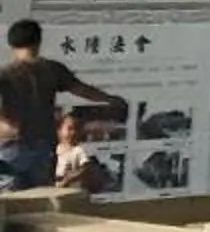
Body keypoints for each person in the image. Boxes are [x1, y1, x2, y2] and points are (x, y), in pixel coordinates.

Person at [0, 18, 124, 191]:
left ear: (11, 44)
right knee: (40, 198)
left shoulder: (5, 74)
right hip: (44, 143)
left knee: (8, 198)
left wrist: (5, 124)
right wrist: (109, 98)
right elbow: (81, 89)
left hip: (11, 144)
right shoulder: (52, 69)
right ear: (38, 40)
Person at [54, 110, 111, 198]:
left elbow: (84, 168)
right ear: (60, 130)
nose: (73, 133)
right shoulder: (57, 149)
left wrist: (68, 179)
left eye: (77, 129)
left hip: (73, 190)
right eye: (69, 129)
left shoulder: (79, 151)